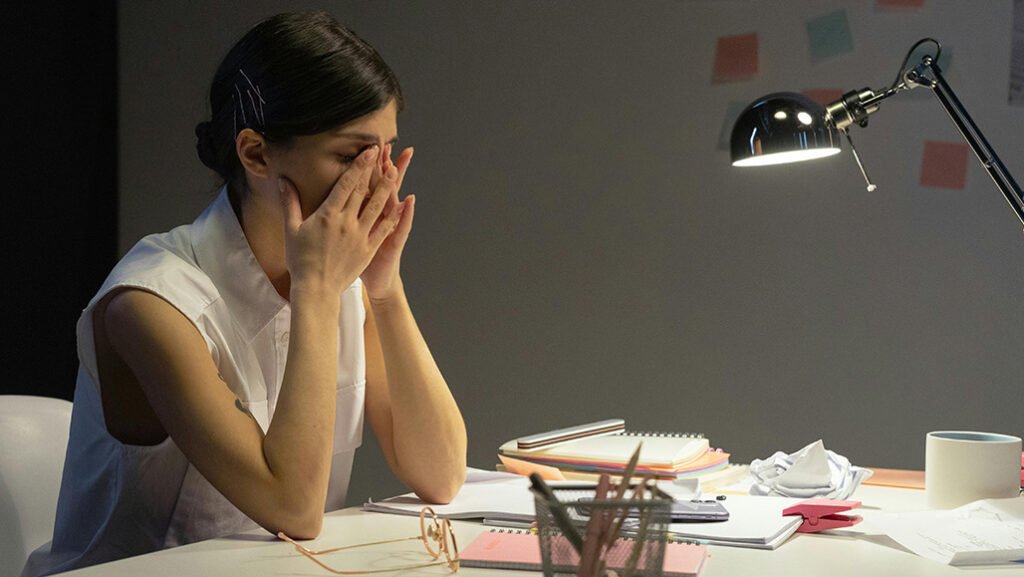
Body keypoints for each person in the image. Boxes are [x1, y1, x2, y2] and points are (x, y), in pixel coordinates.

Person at [22, 11, 466, 576]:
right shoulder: (151, 301)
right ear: (256, 154)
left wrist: (384, 288)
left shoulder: (341, 283)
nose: (377, 181)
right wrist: (317, 290)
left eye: (387, 154)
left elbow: (442, 472)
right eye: (352, 156)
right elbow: (294, 509)